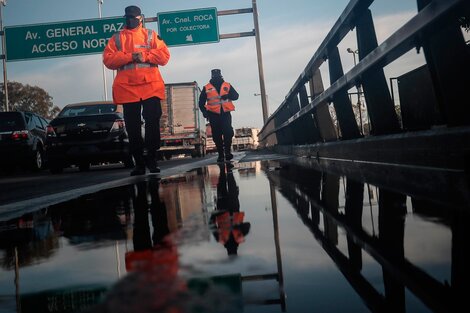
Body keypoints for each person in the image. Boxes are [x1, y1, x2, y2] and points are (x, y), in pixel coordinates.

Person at [103, 5, 170, 176]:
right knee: (132, 128)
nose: (130, 20)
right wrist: (130, 56)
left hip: (150, 87)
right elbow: (108, 60)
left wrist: (145, 55)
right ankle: (139, 163)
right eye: (127, 17)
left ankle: (152, 159)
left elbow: (164, 56)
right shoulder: (117, 38)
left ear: (140, 18)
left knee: (152, 124)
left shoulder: (150, 35)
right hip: (128, 89)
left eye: (133, 17)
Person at [198, 69, 239, 163]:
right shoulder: (207, 88)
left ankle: (227, 153)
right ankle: (221, 154)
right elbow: (201, 103)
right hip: (213, 115)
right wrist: (204, 112)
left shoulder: (227, 85)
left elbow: (236, 96)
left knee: (228, 132)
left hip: (225, 114)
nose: (216, 77)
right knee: (217, 135)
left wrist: (228, 96)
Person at [210, 164, 250, 255]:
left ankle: (227, 168)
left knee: (230, 183)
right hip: (223, 207)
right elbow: (211, 224)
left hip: (231, 206)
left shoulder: (237, 237)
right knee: (223, 182)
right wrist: (214, 213)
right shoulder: (222, 239)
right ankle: (225, 168)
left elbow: (247, 225)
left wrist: (238, 227)